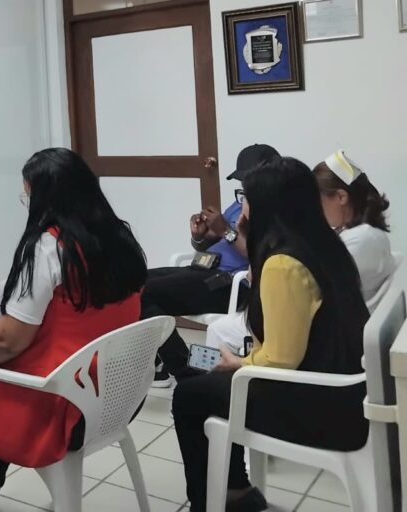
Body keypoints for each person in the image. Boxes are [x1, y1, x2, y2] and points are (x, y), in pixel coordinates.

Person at [0, 148, 147, 511]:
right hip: (117, 393)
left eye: (27, 195)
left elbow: (8, 341)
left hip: (66, 402)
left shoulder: (49, 247)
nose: (27, 203)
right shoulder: (120, 237)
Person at [173, 157, 370, 512]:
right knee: (205, 384)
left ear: (266, 203)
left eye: (246, 198)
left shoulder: (283, 263)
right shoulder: (323, 243)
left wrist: (239, 363)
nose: (242, 207)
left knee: (189, 396)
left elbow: (280, 360)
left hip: (319, 407)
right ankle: (237, 490)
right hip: (346, 394)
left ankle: (216, 500)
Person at [206, 149, 395, 352]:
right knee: (224, 327)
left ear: (341, 197)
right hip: (327, 323)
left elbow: (308, 285)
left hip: (329, 333)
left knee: (220, 330)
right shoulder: (355, 233)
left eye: (317, 199)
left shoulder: (362, 239)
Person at [140, 144, 279, 386]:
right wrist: (200, 236)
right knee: (134, 283)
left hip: (231, 283)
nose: (244, 188)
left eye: (248, 181)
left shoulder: (274, 210)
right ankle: (164, 363)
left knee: (145, 294)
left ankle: (185, 370)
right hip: (203, 269)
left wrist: (225, 230)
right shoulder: (240, 202)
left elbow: (261, 256)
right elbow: (208, 244)